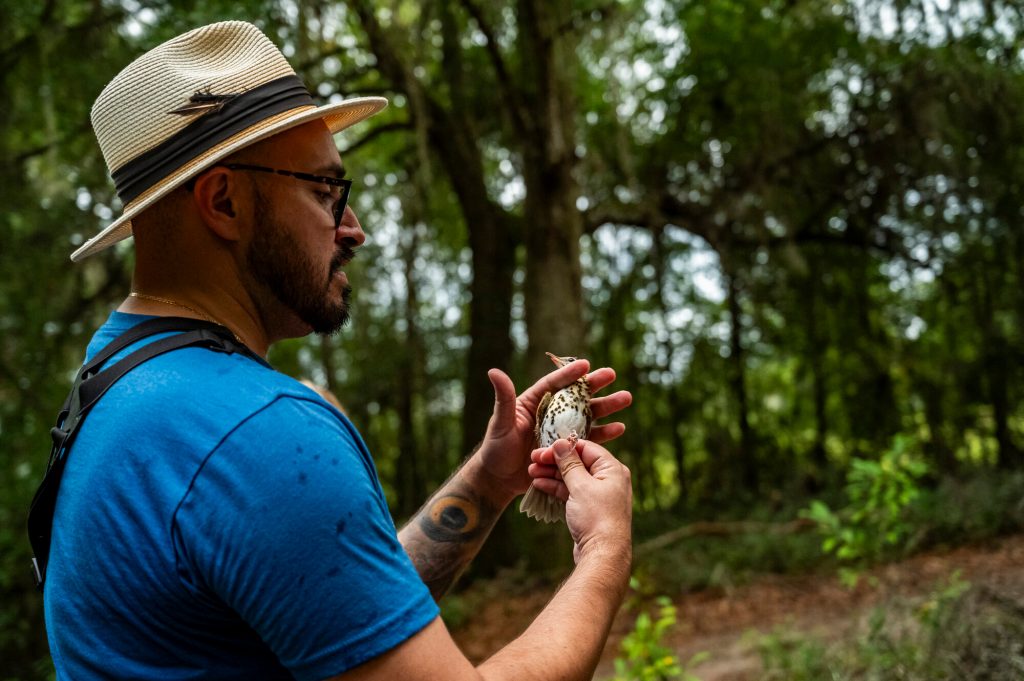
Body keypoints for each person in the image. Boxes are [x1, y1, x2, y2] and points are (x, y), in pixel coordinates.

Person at [44, 20, 634, 681]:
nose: (354, 229)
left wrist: (489, 483)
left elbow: (336, 612)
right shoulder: (255, 433)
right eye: (326, 192)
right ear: (224, 202)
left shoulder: (116, 381)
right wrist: (604, 549)